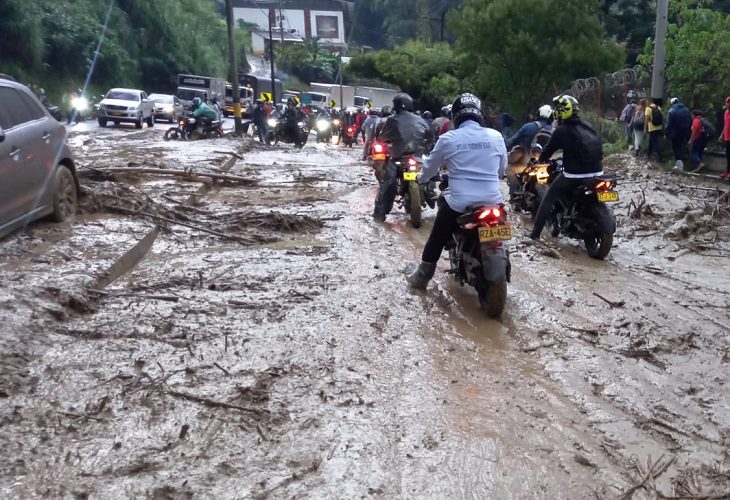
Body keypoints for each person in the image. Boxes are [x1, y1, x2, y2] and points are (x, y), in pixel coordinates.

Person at [406, 93, 507, 288]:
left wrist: (421, 179)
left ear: (456, 116)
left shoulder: (448, 138)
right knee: (501, 230)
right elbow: (502, 170)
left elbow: (429, 168)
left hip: (460, 204)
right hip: (493, 201)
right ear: (479, 114)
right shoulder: (496, 136)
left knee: (438, 234)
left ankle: (423, 276)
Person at [529, 95, 603, 240]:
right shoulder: (587, 125)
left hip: (574, 175)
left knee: (548, 197)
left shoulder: (562, 130)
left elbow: (547, 151)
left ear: (562, 111)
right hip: (597, 173)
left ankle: (534, 235)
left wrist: (540, 161)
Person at [373, 93, 428, 222]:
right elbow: (430, 134)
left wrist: (386, 141)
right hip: (417, 156)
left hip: (398, 157)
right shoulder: (420, 119)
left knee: (388, 184)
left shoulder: (392, 119)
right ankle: (428, 193)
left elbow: (382, 137)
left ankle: (379, 214)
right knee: (430, 175)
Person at [504, 105, 553, 197]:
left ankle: (515, 196)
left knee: (510, 170)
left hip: (528, 164)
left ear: (538, 114)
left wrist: (504, 148)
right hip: (548, 165)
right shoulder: (555, 130)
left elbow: (512, 142)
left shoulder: (528, 127)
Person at [665, 97, 692, 170]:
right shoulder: (686, 110)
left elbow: (669, 124)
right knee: (681, 147)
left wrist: (666, 132)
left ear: (672, 103)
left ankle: (679, 165)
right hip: (685, 132)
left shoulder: (672, 111)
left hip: (675, 133)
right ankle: (683, 163)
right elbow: (690, 120)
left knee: (676, 148)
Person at [721, 96, 730, 179]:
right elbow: (726, 125)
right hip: (727, 138)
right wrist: (721, 135)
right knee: (728, 155)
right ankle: (727, 171)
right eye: (728, 102)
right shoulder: (726, 112)